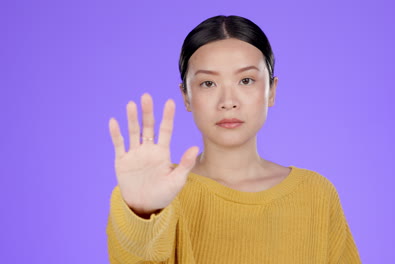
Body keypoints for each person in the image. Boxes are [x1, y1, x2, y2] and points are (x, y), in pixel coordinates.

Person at [106, 15, 361, 263]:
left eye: (246, 80)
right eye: (208, 83)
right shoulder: (156, 190)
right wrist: (142, 213)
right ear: (186, 96)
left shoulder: (316, 193)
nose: (228, 102)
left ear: (272, 91)